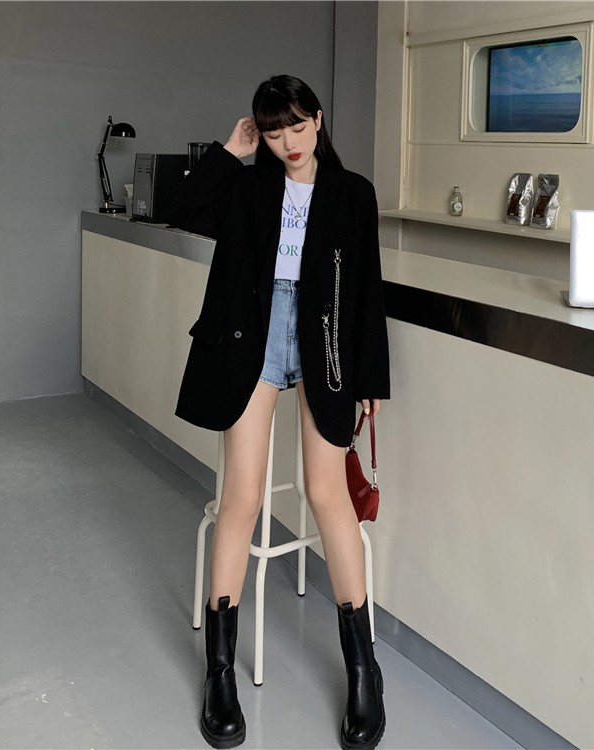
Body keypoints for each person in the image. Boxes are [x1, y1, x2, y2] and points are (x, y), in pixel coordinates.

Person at [167, 74, 390, 750]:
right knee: (241, 496)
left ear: (318, 120)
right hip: (252, 339)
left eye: (296, 126)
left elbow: (367, 289)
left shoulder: (352, 194)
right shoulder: (248, 187)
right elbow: (182, 208)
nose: (287, 142)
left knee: (328, 495)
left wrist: (369, 377)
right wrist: (229, 152)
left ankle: (363, 669)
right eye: (272, 131)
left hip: (325, 344)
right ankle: (220, 671)